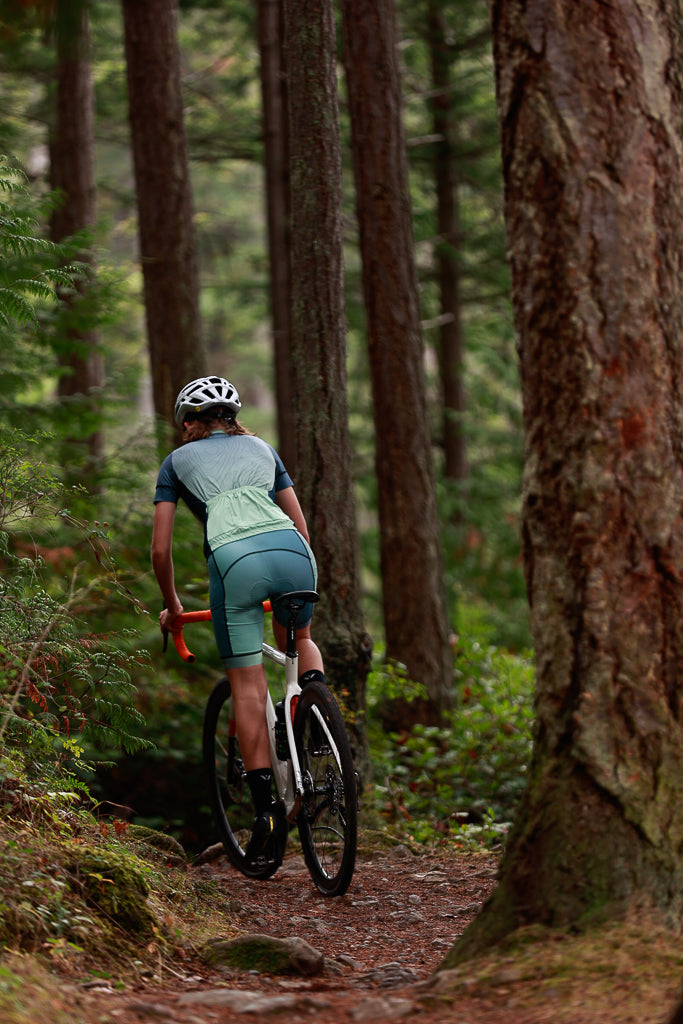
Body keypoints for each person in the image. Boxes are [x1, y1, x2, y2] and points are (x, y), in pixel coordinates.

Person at [151, 375, 325, 867]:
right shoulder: (263, 449)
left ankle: (268, 811)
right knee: (301, 638)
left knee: (247, 687)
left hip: (235, 564)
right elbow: (301, 525)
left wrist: (175, 607)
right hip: (295, 555)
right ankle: (312, 710)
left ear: (189, 423)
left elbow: (160, 549)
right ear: (233, 419)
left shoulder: (175, 462)